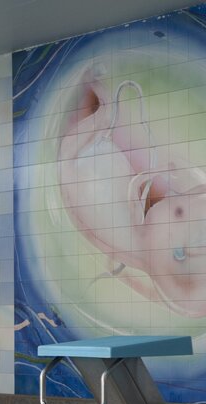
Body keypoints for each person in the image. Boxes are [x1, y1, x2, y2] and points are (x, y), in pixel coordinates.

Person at [58, 64, 206, 317]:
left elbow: (137, 187)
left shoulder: (143, 237)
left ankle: (96, 102)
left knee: (103, 117)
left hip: (84, 162)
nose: (175, 198)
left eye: (179, 209)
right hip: (87, 164)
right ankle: (96, 104)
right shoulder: (147, 254)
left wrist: (158, 173)